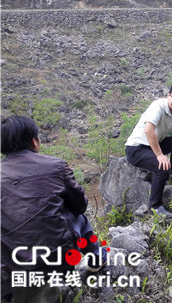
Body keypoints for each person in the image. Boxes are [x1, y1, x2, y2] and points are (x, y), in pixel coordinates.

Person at [1, 115, 106, 301]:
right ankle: (96, 258)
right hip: (53, 262)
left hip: (8, 269)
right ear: (34, 141)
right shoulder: (55, 166)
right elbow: (79, 205)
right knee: (78, 217)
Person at [125, 82, 172, 219]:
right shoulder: (158, 106)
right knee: (161, 166)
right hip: (137, 148)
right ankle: (155, 206)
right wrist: (159, 155)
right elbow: (149, 130)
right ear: (168, 95)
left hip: (154, 144)